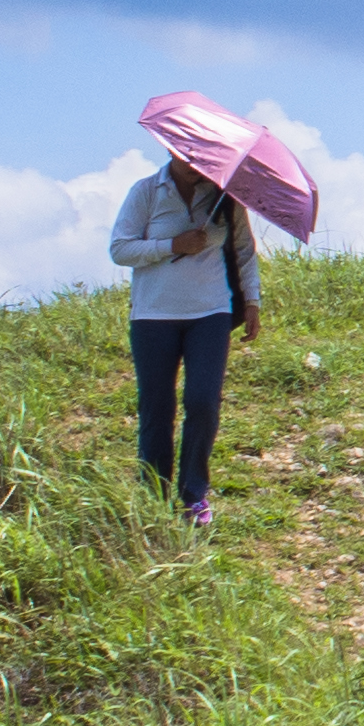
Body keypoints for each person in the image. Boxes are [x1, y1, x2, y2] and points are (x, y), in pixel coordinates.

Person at [109, 159, 258, 522]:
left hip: (210, 313)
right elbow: (120, 249)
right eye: (186, 156)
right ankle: (153, 495)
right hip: (152, 315)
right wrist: (172, 244)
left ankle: (194, 494)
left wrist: (252, 301)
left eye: (201, 158)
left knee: (203, 402)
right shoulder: (146, 191)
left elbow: (244, 250)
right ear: (170, 149)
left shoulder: (225, 197)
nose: (194, 165)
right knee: (156, 409)